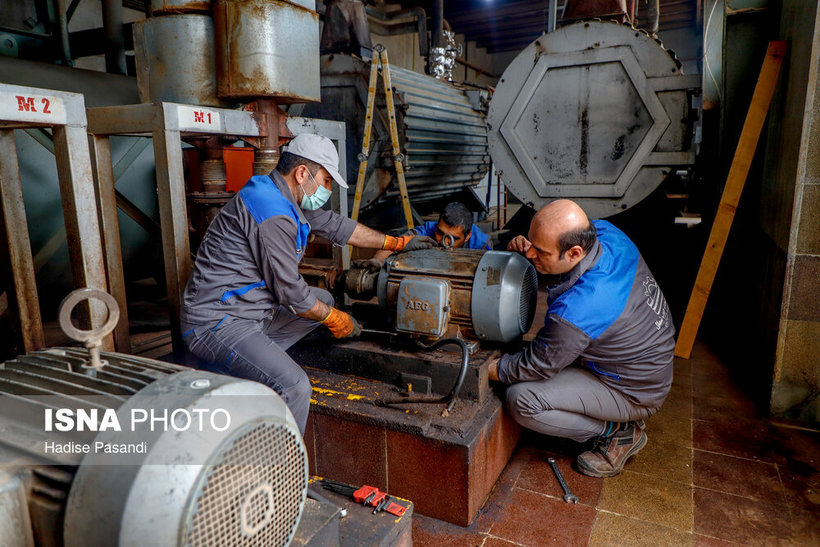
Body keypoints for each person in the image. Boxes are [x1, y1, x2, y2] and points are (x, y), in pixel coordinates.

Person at [180, 134, 435, 434]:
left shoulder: (279, 193)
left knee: (323, 298)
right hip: (217, 321)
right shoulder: (271, 211)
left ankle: (251, 367)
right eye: (326, 180)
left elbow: (335, 225)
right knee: (295, 386)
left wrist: (395, 242)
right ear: (302, 173)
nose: (327, 189)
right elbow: (291, 293)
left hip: (253, 311)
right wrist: (334, 318)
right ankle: (281, 475)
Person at [489, 199, 675, 477]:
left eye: (540, 251)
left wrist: (492, 370)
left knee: (521, 398)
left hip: (633, 391)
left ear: (575, 252)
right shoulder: (606, 232)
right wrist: (531, 248)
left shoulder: (580, 308)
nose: (530, 255)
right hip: (647, 362)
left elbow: (538, 365)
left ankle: (617, 432)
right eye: (532, 244)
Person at [364, 202, 491, 268]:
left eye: (454, 238)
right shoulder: (426, 231)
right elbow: (396, 243)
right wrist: (378, 261)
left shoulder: (482, 245)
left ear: (468, 236)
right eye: (440, 233)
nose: (444, 242)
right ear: (437, 225)